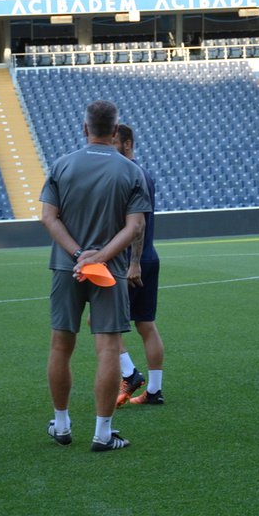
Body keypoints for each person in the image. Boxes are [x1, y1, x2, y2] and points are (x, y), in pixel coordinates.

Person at [39, 101, 151, 452]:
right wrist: (100, 256)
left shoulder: (61, 165)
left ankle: (61, 425)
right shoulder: (131, 171)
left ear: (84, 129)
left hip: (65, 267)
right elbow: (135, 226)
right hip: (110, 271)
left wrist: (77, 255)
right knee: (108, 349)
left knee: (61, 345)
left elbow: (48, 218)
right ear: (115, 132)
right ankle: (103, 433)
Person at [111, 124, 166, 407]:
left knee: (101, 321)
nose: (110, 147)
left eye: (114, 142)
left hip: (134, 260)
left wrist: (133, 263)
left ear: (128, 144)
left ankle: (130, 373)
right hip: (149, 257)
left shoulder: (131, 174)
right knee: (146, 324)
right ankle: (154, 391)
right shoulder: (143, 173)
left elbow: (139, 223)